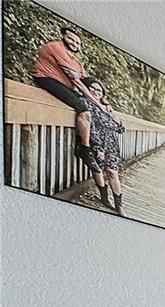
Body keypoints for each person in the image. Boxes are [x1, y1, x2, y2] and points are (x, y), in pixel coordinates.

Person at [31, 25, 104, 173]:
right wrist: (98, 103)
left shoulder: (75, 61)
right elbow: (77, 82)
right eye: (71, 39)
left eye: (78, 43)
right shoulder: (56, 47)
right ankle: (84, 149)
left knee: (92, 108)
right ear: (63, 36)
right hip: (45, 78)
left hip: (64, 85)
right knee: (84, 109)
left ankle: (88, 143)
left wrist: (102, 103)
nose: (74, 44)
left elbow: (85, 81)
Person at [80, 77, 126, 216]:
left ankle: (119, 205)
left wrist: (112, 114)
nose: (96, 91)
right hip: (96, 140)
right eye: (92, 88)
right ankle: (104, 197)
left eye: (99, 90)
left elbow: (120, 129)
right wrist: (98, 147)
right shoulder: (85, 103)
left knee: (112, 172)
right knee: (98, 169)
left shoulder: (106, 108)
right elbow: (90, 126)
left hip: (111, 143)